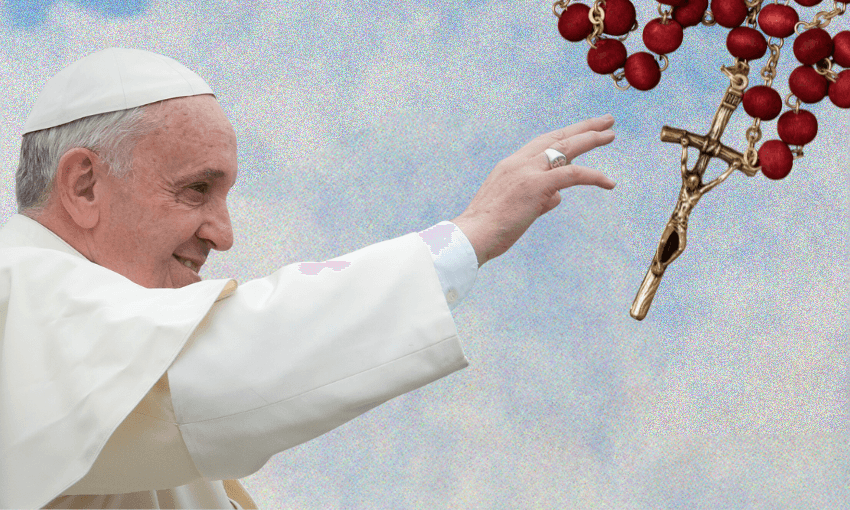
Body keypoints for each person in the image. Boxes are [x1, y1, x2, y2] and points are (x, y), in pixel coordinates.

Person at [0, 47, 617, 509]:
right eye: (195, 190)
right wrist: (470, 235)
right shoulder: (17, 291)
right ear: (85, 186)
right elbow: (230, 364)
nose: (223, 234)